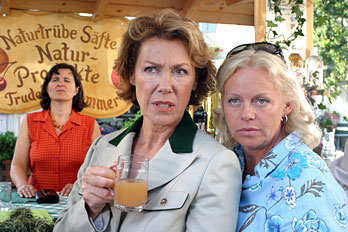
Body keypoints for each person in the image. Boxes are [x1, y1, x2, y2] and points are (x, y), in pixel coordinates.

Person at [54, 9, 242, 232]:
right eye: (151, 69)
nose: (165, 85)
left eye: (180, 71)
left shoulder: (217, 163)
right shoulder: (101, 147)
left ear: (195, 81)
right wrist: (90, 209)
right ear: (131, 75)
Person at [214, 42, 348, 231]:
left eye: (261, 101)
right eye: (234, 100)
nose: (247, 114)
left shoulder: (308, 182)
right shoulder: (230, 165)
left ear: (287, 105)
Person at [10, 63, 101, 197]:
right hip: (37, 200)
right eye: (55, 80)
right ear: (47, 88)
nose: (60, 83)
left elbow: (97, 167)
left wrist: (80, 184)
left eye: (67, 80)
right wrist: (22, 185)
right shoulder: (30, 121)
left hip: (77, 201)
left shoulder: (90, 124)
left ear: (76, 90)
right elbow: (17, 165)